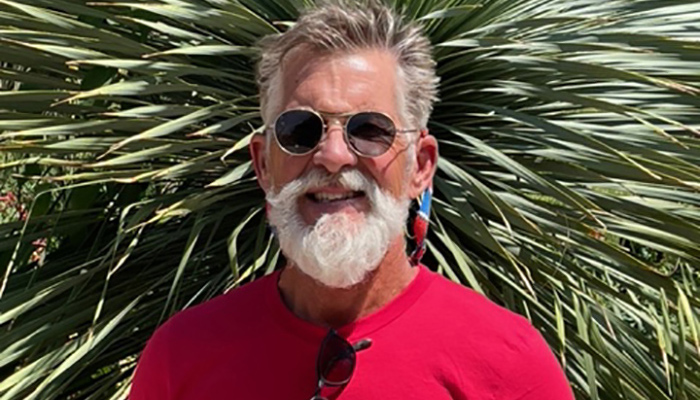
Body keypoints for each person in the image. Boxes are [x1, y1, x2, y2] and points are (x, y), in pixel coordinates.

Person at [129, 1, 575, 399]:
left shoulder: (505, 363)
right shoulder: (181, 356)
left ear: (420, 166)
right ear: (264, 165)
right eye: (300, 130)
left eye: (370, 129)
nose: (333, 155)